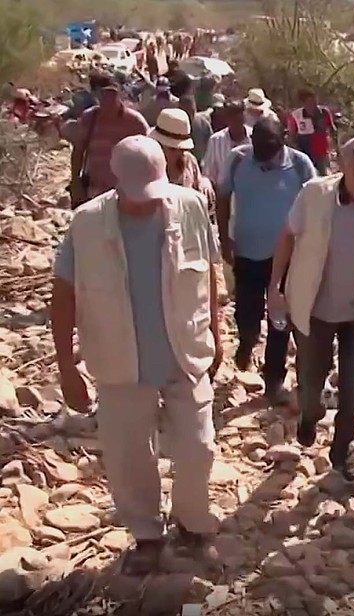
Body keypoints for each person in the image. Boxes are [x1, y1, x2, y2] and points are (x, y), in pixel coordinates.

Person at [50, 136, 222, 575]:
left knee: (199, 448)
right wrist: (67, 367)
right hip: (119, 359)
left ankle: (193, 526)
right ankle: (147, 535)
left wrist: (217, 334)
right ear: (116, 181)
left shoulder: (190, 206)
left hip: (184, 352)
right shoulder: (86, 224)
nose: (149, 204)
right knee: (129, 456)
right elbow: (63, 295)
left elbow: (210, 275)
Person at [267, 136, 354, 480]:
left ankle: (343, 451)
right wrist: (275, 288)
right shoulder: (315, 194)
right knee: (311, 388)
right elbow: (286, 235)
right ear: (344, 165)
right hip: (315, 310)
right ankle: (309, 417)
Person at [216, 115, 317, 405]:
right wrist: (225, 237)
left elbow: (315, 205)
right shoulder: (237, 160)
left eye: (269, 146)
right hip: (247, 253)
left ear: (284, 138)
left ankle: (274, 379)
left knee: (280, 321)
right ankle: (246, 343)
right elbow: (223, 198)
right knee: (247, 317)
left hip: (286, 259)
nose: (263, 152)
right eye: (258, 146)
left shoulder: (300, 165)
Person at [69, 71, 150, 208]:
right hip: (94, 193)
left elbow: (150, 156)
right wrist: (76, 183)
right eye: (102, 93)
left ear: (119, 92)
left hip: (126, 194)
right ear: (95, 95)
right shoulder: (89, 118)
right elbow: (78, 151)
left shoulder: (134, 122)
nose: (108, 97)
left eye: (112, 92)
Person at [149, 108, 214, 206]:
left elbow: (198, 180)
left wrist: (205, 182)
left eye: (182, 149)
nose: (179, 154)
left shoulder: (189, 160)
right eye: (172, 149)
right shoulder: (146, 165)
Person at [286, 87, 338, 175]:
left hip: (322, 152)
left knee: (325, 176)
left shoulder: (324, 112)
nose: (313, 105)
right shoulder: (296, 116)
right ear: (302, 103)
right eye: (309, 103)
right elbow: (291, 136)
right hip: (305, 153)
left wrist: (336, 147)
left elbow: (332, 129)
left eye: (314, 102)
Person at [202, 100, 251, 187]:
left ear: (244, 117)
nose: (234, 122)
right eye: (231, 117)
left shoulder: (254, 138)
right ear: (226, 119)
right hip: (223, 194)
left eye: (237, 117)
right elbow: (208, 173)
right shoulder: (216, 140)